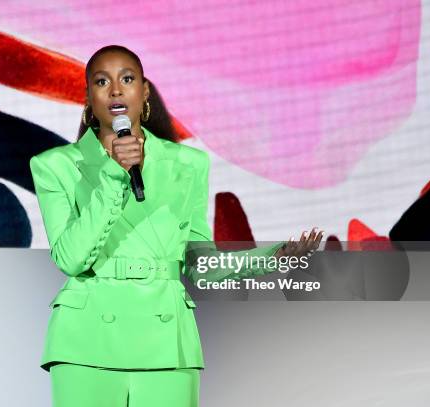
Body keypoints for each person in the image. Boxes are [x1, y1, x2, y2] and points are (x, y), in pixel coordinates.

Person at [29, 45, 323, 407]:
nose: (116, 90)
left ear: (145, 92)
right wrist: (112, 176)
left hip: (166, 342)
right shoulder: (55, 166)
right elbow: (71, 259)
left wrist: (273, 257)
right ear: (89, 96)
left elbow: (200, 266)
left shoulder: (188, 165)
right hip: (86, 340)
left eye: (128, 79)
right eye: (102, 81)